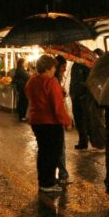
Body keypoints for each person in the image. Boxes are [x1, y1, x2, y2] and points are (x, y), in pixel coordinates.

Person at [25, 54, 72, 194]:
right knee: (53, 153)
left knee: (43, 152)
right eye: (53, 68)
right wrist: (67, 122)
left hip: (37, 121)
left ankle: (43, 181)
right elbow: (58, 106)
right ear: (47, 68)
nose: (54, 71)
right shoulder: (51, 82)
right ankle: (48, 182)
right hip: (51, 123)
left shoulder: (32, 80)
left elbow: (29, 94)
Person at [69, 54, 93, 149]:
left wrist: (83, 90)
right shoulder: (75, 65)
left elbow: (89, 81)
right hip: (75, 96)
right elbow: (73, 80)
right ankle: (83, 141)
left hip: (83, 97)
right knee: (78, 120)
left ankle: (92, 141)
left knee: (86, 120)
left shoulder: (85, 65)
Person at [54, 55, 70, 184]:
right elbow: (56, 104)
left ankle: (60, 174)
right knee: (59, 147)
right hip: (54, 120)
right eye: (63, 66)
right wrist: (66, 120)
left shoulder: (55, 80)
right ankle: (63, 175)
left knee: (57, 148)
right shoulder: (53, 81)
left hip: (50, 120)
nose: (65, 69)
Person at [12, 57, 31, 122]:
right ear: (22, 63)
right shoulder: (21, 70)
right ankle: (22, 116)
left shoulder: (20, 69)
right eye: (25, 62)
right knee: (23, 101)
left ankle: (21, 116)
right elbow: (28, 76)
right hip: (22, 88)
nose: (26, 63)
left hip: (21, 87)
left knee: (22, 101)